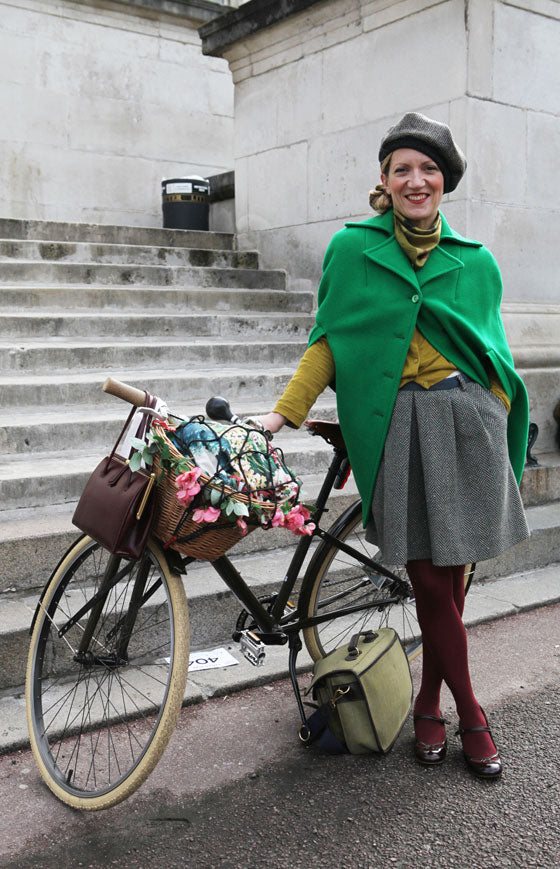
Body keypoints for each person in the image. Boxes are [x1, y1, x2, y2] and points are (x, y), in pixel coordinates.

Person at [258, 112, 530, 779]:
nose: (416, 180)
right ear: (383, 180)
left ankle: (430, 703)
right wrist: (282, 414)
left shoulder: (475, 261)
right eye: (402, 168)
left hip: (468, 426)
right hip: (398, 428)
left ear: (445, 183)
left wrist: (493, 407)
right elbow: (330, 338)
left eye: (428, 170)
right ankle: (473, 714)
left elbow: (491, 347)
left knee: (454, 585)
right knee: (431, 585)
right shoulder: (353, 250)